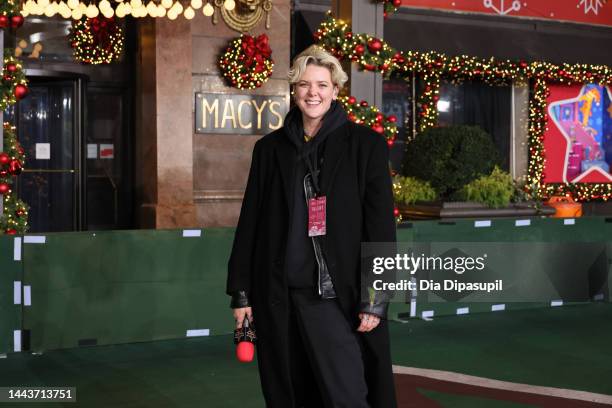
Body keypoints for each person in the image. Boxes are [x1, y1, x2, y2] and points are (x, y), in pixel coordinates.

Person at [227, 45, 397, 408]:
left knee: (346, 397)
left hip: (335, 299)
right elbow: (251, 224)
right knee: (288, 395)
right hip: (277, 298)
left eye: (322, 84)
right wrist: (241, 293)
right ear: (294, 90)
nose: (312, 93)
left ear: (336, 90)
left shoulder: (366, 146)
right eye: (304, 84)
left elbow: (381, 229)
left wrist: (376, 298)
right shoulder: (270, 150)